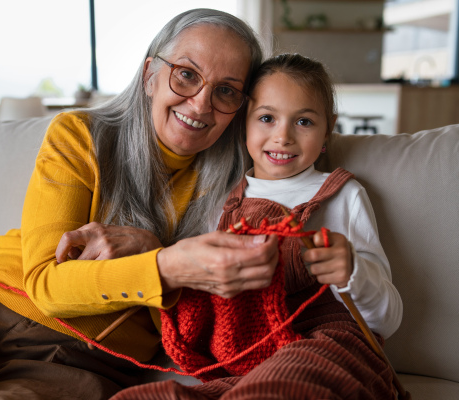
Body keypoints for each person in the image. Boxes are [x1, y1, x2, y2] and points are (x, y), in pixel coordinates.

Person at [0, 9, 278, 400]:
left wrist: (154, 251)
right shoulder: (80, 136)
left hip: (81, 363)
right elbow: (45, 284)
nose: (200, 104)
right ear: (149, 76)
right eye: (187, 75)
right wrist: (167, 266)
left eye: (226, 90)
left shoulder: (243, 190)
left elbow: (205, 328)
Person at [111, 53, 403, 399]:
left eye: (304, 122)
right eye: (267, 118)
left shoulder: (343, 195)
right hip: (250, 360)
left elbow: (387, 319)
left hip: (329, 345)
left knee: (279, 385)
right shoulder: (220, 199)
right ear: (242, 125)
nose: (283, 137)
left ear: (328, 129)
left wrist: (353, 271)